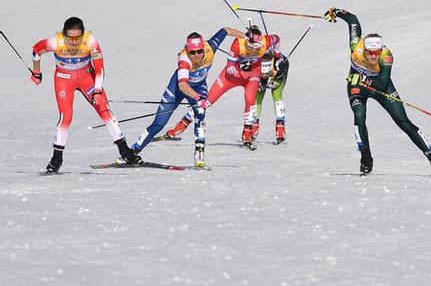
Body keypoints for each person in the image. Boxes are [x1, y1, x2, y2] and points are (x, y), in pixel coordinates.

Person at [324, 7, 431, 176]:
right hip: (357, 87)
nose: (373, 56)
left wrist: (364, 80)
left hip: (379, 86)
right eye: (370, 53)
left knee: (403, 122)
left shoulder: (386, 56)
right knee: (359, 116)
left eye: (376, 53)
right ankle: (366, 157)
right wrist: (336, 12)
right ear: (364, 48)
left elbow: (382, 82)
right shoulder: (356, 44)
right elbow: (353, 20)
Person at [31, 16, 140, 173]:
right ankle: (56, 159)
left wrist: (97, 90)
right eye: (70, 37)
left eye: (78, 37)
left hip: (86, 77)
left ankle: (126, 152)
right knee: (66, 117)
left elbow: (100, 69)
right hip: (64, 79)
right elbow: (36, 50)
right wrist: (36, 71)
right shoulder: (55, 42)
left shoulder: (90, 41)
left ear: (83, 34)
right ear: (64, 34)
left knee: (104, 109)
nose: (74, 42)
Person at [131, 27, 243, 167]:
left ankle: (199, 155)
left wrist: (247, 36)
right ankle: (133, 151)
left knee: (200, 113)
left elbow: (225, 30)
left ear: (203, 48)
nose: (196, 55)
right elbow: (182, 85)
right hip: (177, 88)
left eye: (199, 51)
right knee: (159, 123)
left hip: (198, 85)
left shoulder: (211, 46)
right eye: (192, 52)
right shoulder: (184, 59)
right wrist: (198, 98)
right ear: (187, 50)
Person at [166, 25, 281, 149]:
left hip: (252, 74)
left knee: (250, 98)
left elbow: (277, 39)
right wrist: (241, 67)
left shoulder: (266, 41)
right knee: (208, 100)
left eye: (256, 48)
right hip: (232, 76)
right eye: (251, 47)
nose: (253, 50)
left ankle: (247, 134)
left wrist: (277, 57)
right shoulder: (238, 44)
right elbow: (230, 66)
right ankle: (182, 124)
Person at [252, 51, 289, 144]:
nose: (264, 75)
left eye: (266, 73)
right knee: (257, 98)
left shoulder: (279, 67)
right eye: (262, 74)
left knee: (277, 94)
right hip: (260, 65)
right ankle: (253, 126)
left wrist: (269, 81)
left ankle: (280, 128)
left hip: (277, 75)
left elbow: (275, 82)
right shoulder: (255, 65)